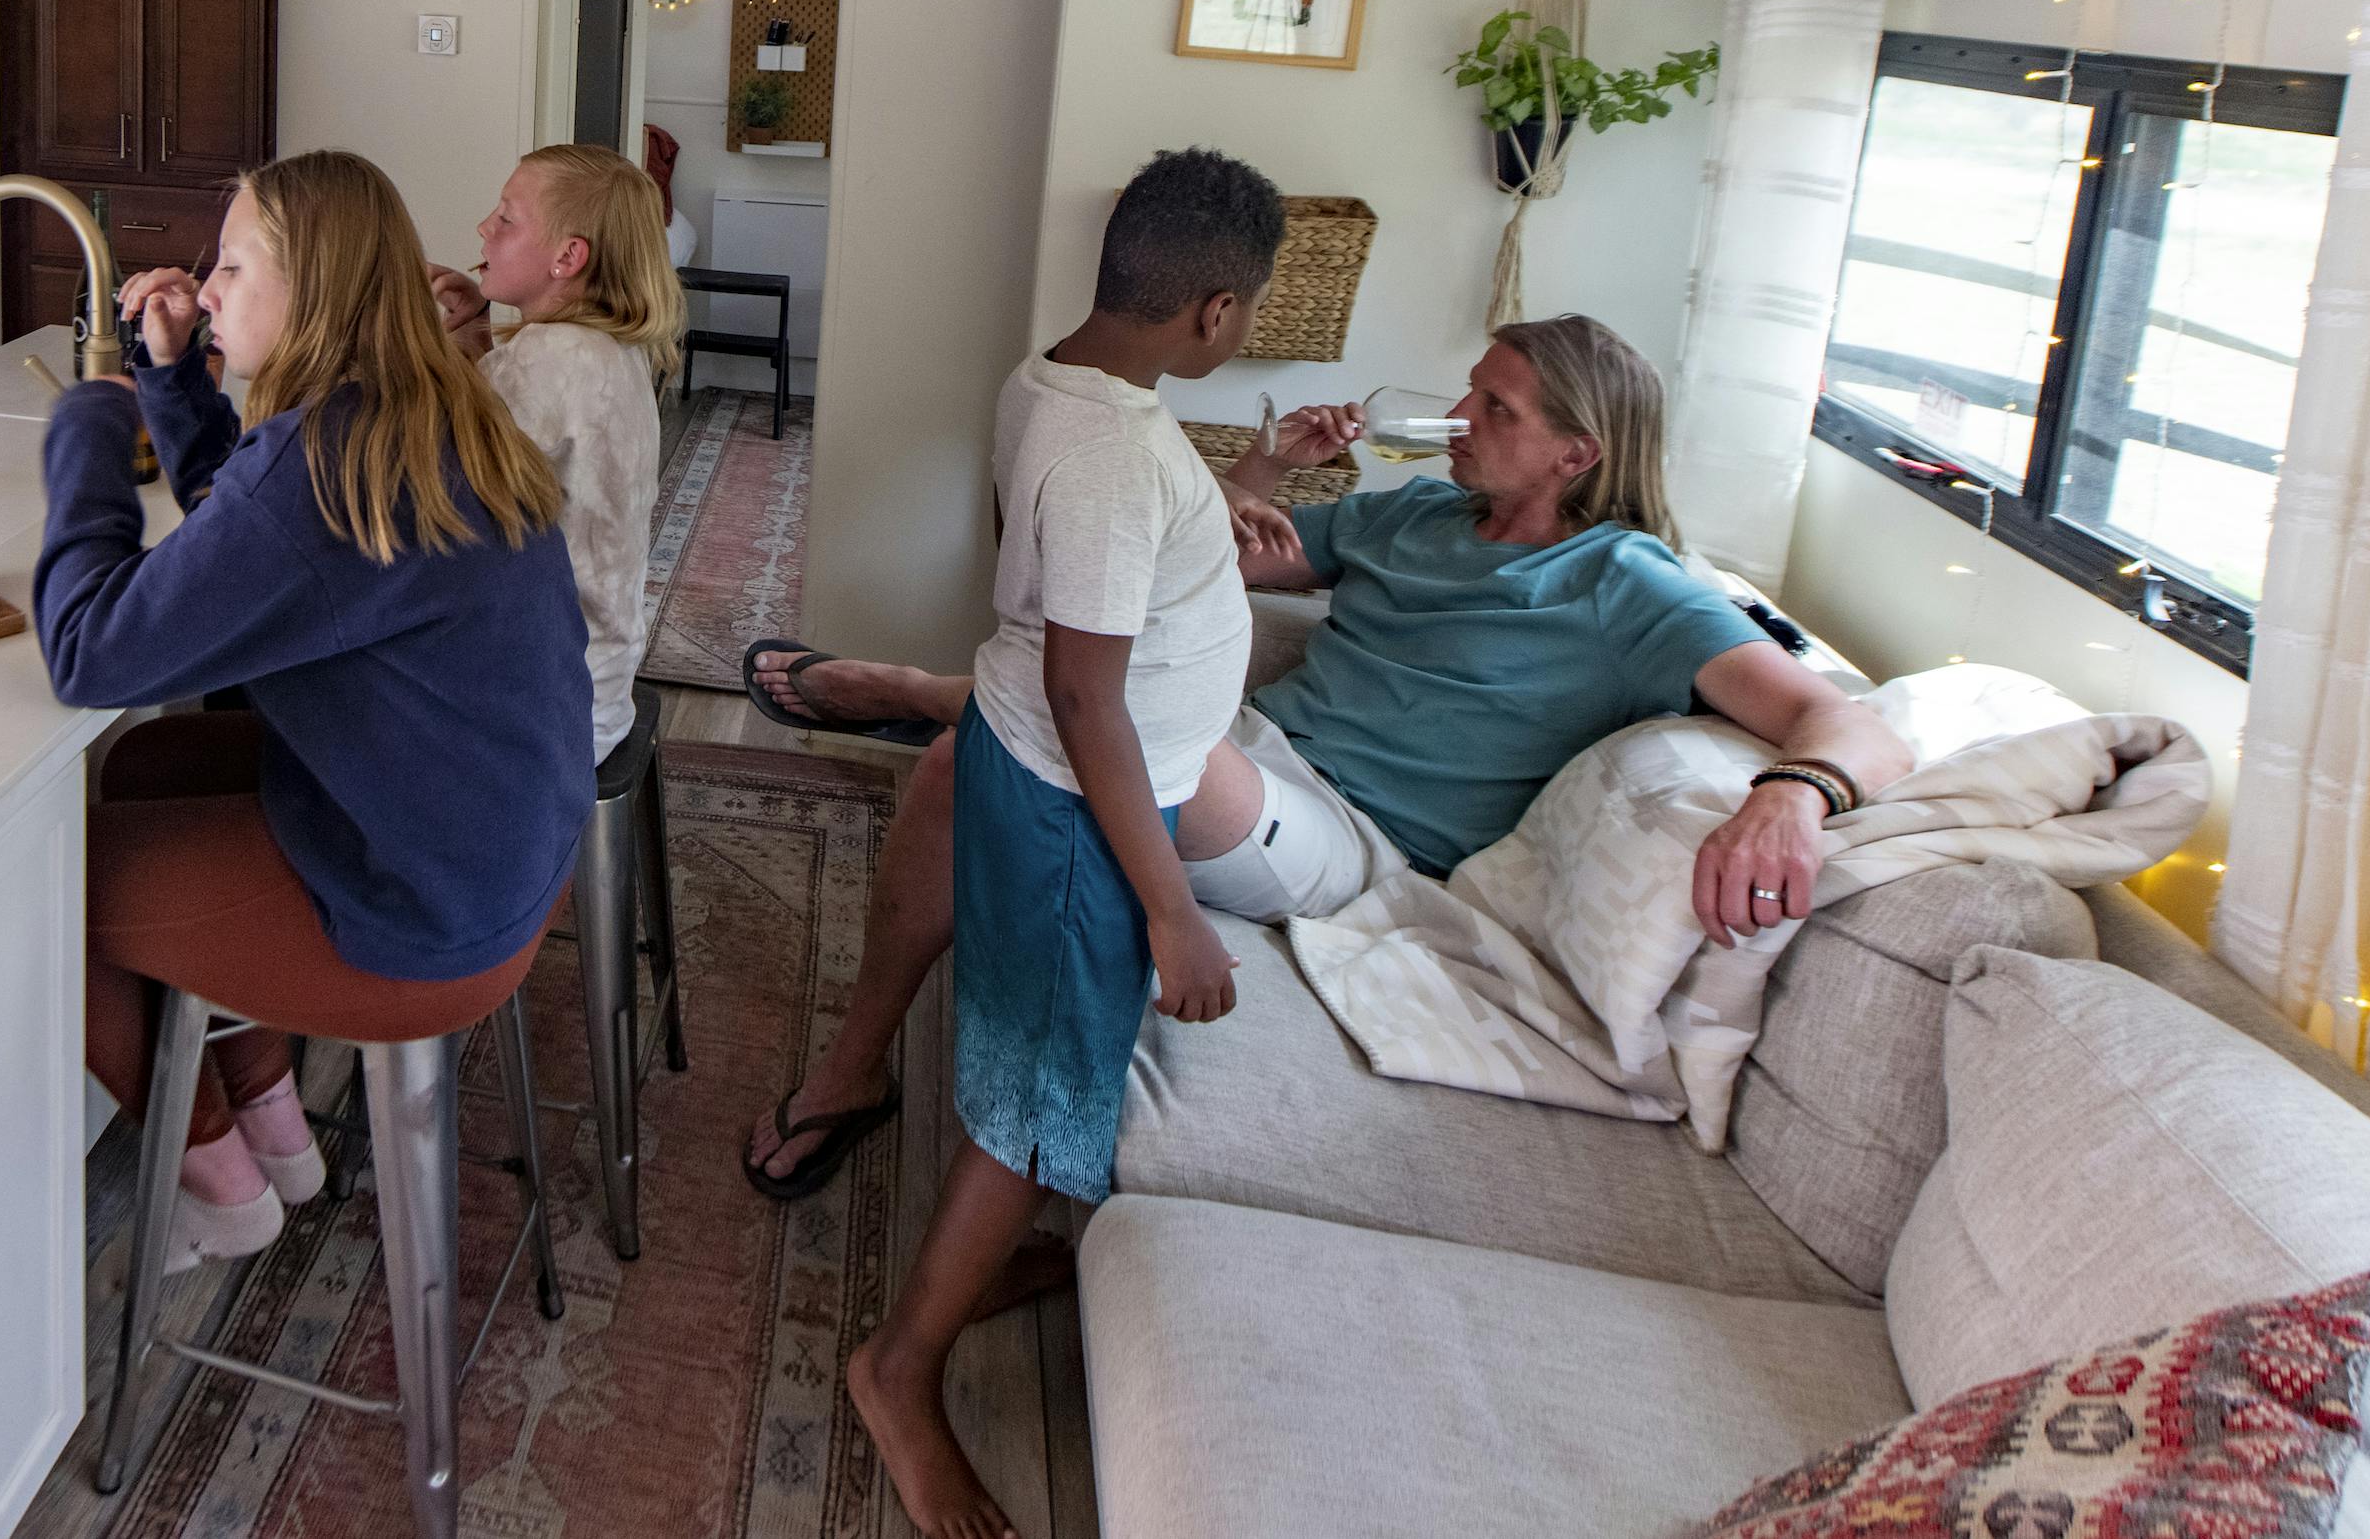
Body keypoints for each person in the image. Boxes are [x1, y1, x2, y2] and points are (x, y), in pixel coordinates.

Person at [740, 312, 1915, 1216]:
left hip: (1352, 841)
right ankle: (854, 1065)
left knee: (1098, 736)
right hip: (1256, 749)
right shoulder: (1414, 517)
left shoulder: (1628, 584)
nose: (1458, 413)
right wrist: (1260, 478)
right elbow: (1192, 578)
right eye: (1468, 388)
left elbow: (1846, 719)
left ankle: (909, 690)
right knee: (970, 761)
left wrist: (1793, 797)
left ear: (1574, 451)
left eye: (1493, 406)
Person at [40, 152, 593, 1268]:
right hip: (499, 853)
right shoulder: (414, 409)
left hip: (424, 915)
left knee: (34, 888)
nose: (206, 287)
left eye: (233, 266)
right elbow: (240, 530)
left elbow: (90, 650)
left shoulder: (324, 462)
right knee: (147, 769)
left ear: (316, 293)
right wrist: (172, 377)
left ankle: (219, 1177)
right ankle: (275, 1126)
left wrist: (85, 435)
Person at [844, 149, 1275, 1539]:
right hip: (1084, 804)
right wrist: (1172, 908)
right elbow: (1090, 690)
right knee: (1042, 1095)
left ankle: (986, 1252)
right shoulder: (1112, 454)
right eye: (1252, 310)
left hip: (1041, 764)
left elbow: (1057, 586)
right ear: (1213, 310)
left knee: (1035, 1055)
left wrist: (1235, 493)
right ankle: (897, 1369)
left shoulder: (1060, 383)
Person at [427, 143, 684, 763]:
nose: (484, 227)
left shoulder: (548, 360)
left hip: (540, 706)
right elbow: (502, 437)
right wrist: (473, 328)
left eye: (507, 218)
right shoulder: (607, 352)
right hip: (598, 684)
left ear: (568, 257)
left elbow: (434, 471)